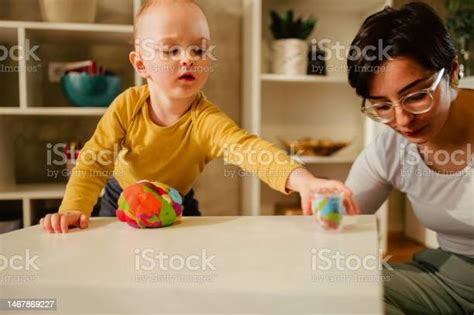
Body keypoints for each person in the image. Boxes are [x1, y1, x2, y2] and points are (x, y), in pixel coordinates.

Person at [40, 0, 358, 233]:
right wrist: (72, 209)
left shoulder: (206, 120)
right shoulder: (127, 106)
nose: (188, 59)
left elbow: (250, 150)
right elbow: (95, 159)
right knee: (117, 258)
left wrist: (305, 181)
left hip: (177, 201)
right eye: (171, 50)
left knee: (185, 263)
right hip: (121, 197)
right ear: (140, 65)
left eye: (199, 50)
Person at [345, 2, 474, 314]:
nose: (402, 120)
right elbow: (342, 217)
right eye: (382, 106)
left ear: (453, 71)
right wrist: (326, 203)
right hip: (446, 279)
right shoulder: (391, 149)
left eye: (416, 96)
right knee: (340, 289)